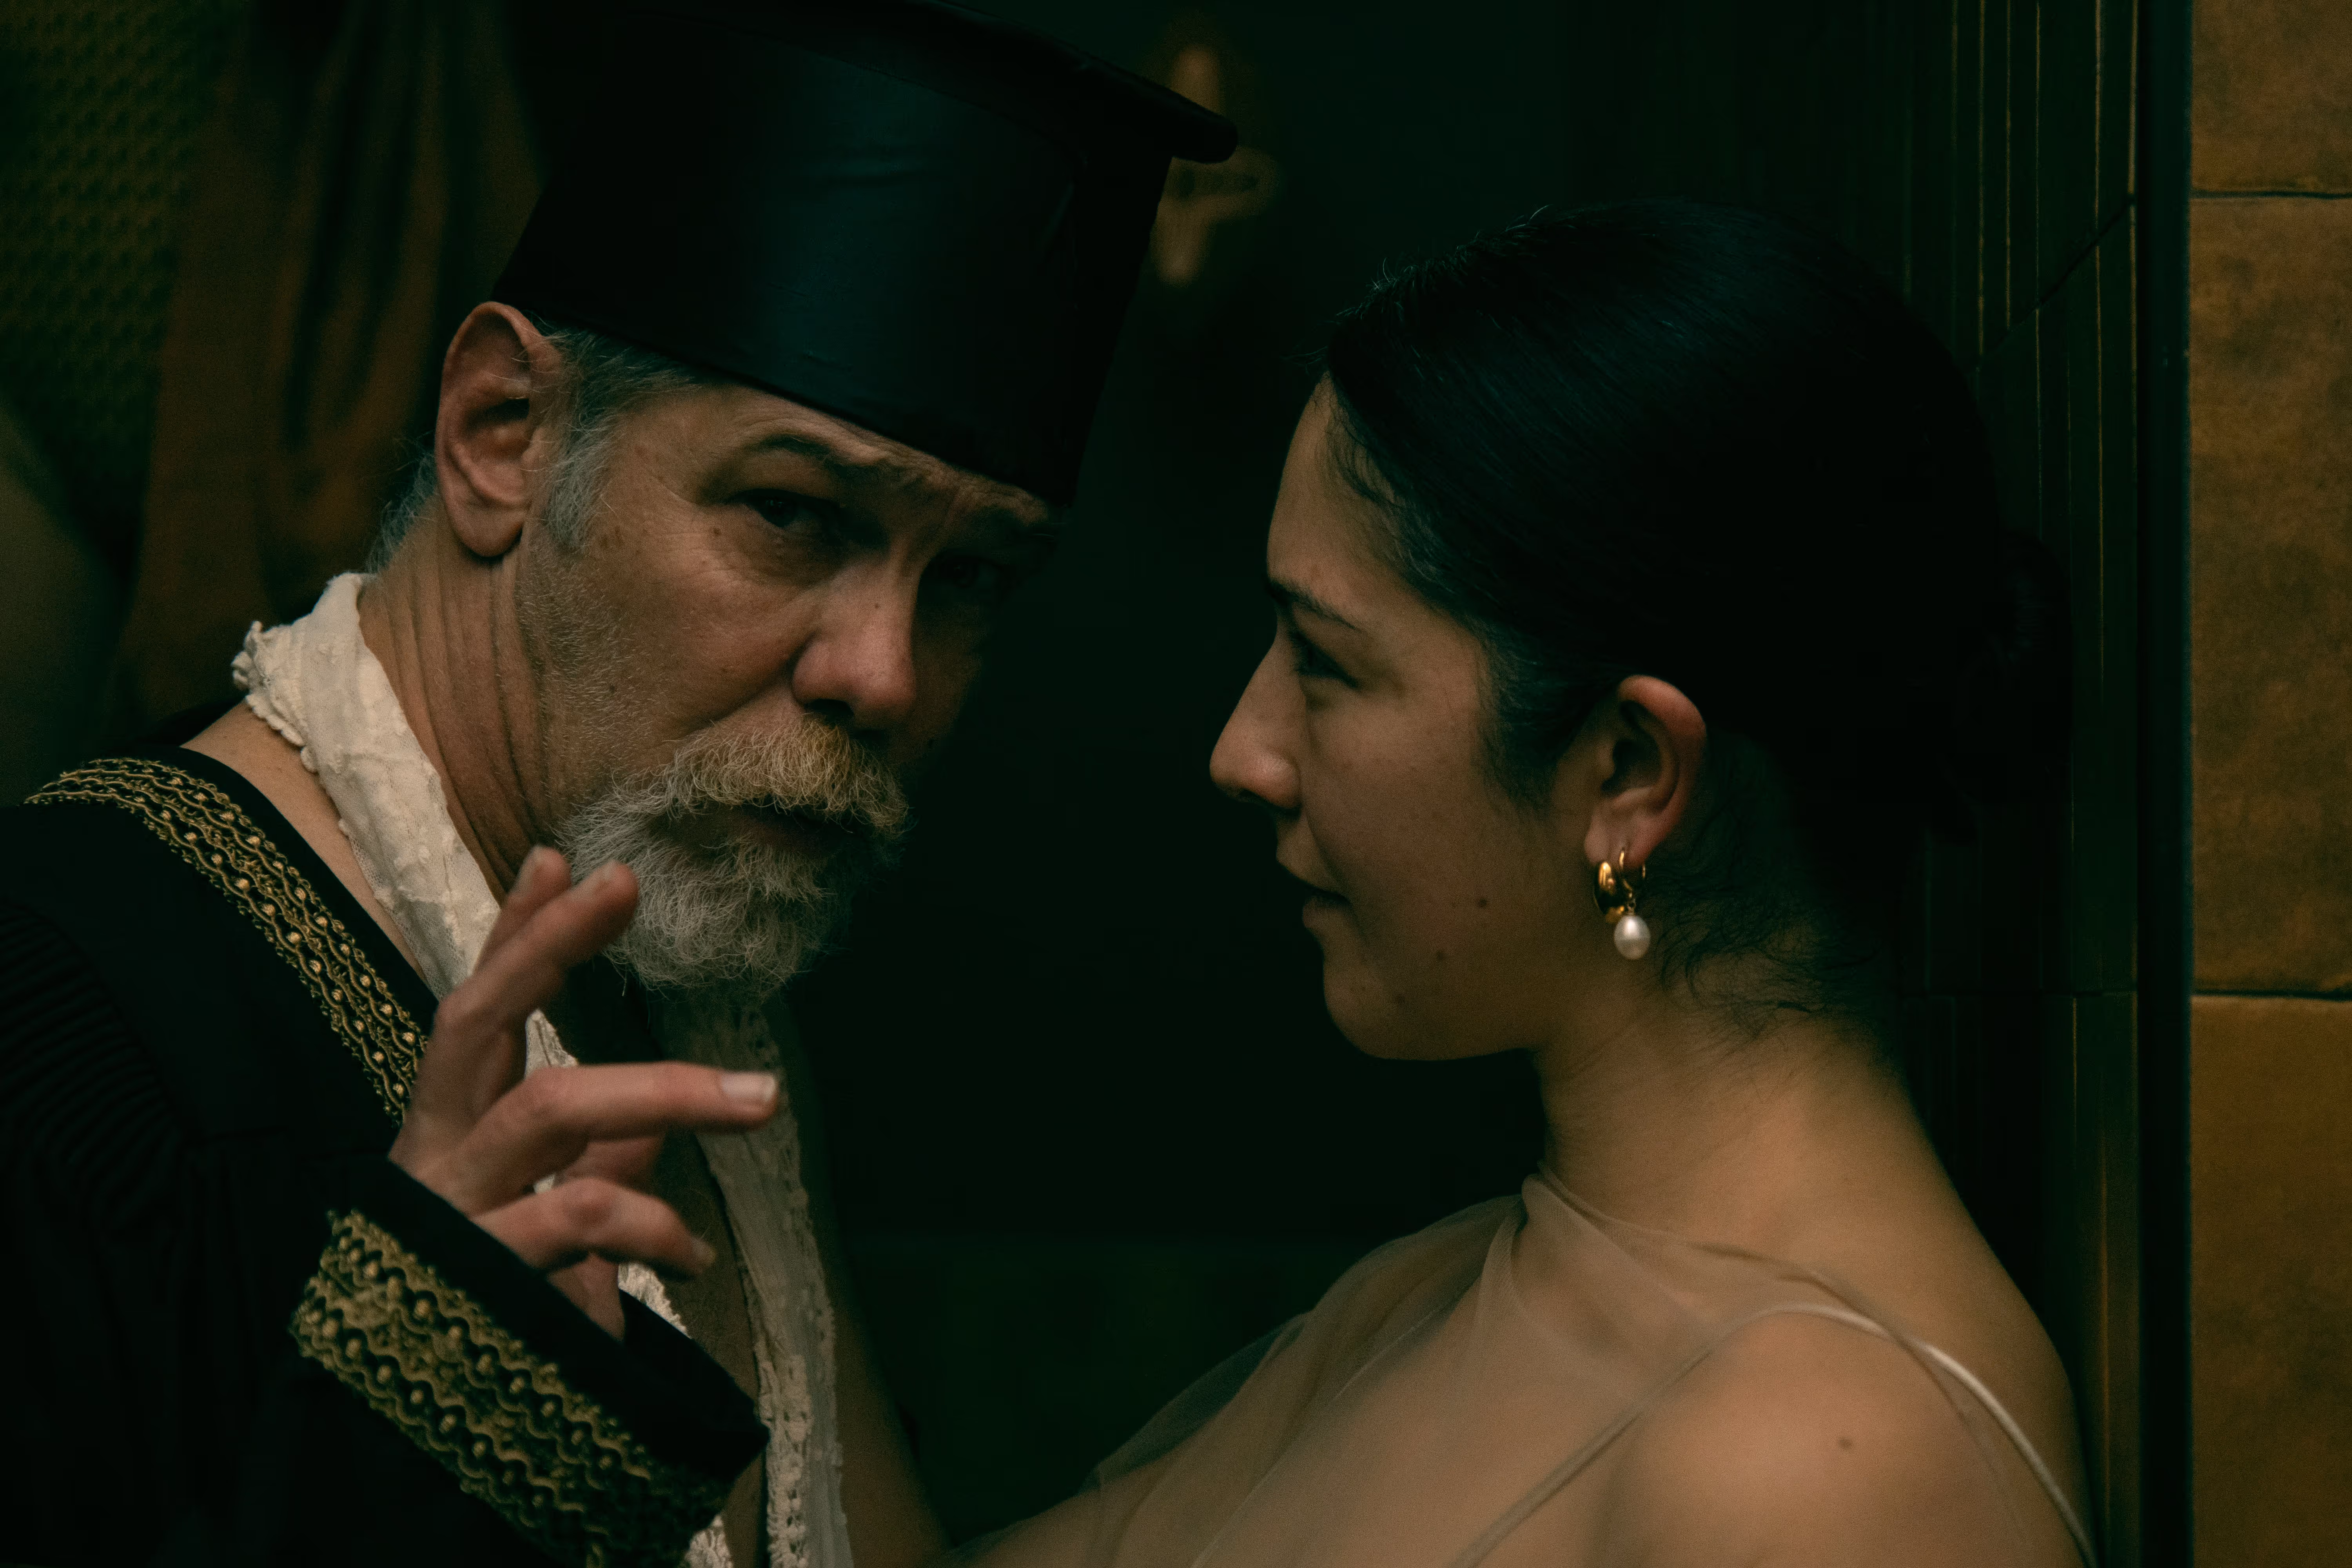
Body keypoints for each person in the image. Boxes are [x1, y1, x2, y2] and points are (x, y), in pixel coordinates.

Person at [0, 2, 1230, 1564]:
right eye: (792, 513)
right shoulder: (58, 1013)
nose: (887, 674)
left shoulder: (689, 984)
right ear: (501, 435)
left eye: (973, 575)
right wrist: (402, 1401)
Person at [946, 202, 2096, 1566]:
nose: (1243, 753)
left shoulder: (1832, 1474)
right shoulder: (1450, 1289)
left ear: (1625, 772)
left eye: (1326, 664)